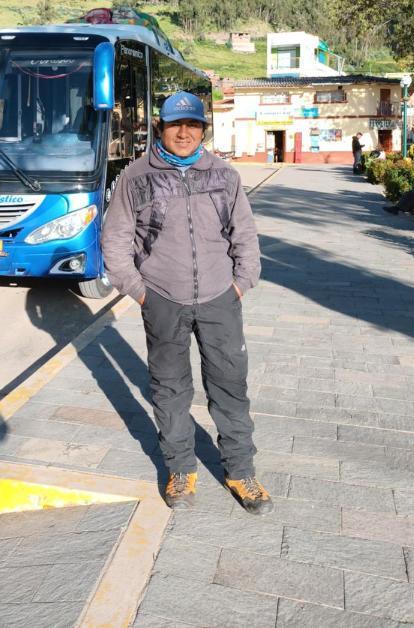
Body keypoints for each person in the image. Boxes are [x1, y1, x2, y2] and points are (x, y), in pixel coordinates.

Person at [101, 91, 272, 514]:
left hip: (220, 298)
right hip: (162, 299)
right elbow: (116, 238)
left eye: (192, 125)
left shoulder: (224, 175)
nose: (183, 132)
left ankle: (240, 471)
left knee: (230, 386)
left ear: (201, 130)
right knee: (170, 389)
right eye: (175, 125)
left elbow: (244, 234)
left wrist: (241, 282)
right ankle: (180, 469)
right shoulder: (135, 177)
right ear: (161, 128)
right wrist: (139, 291)